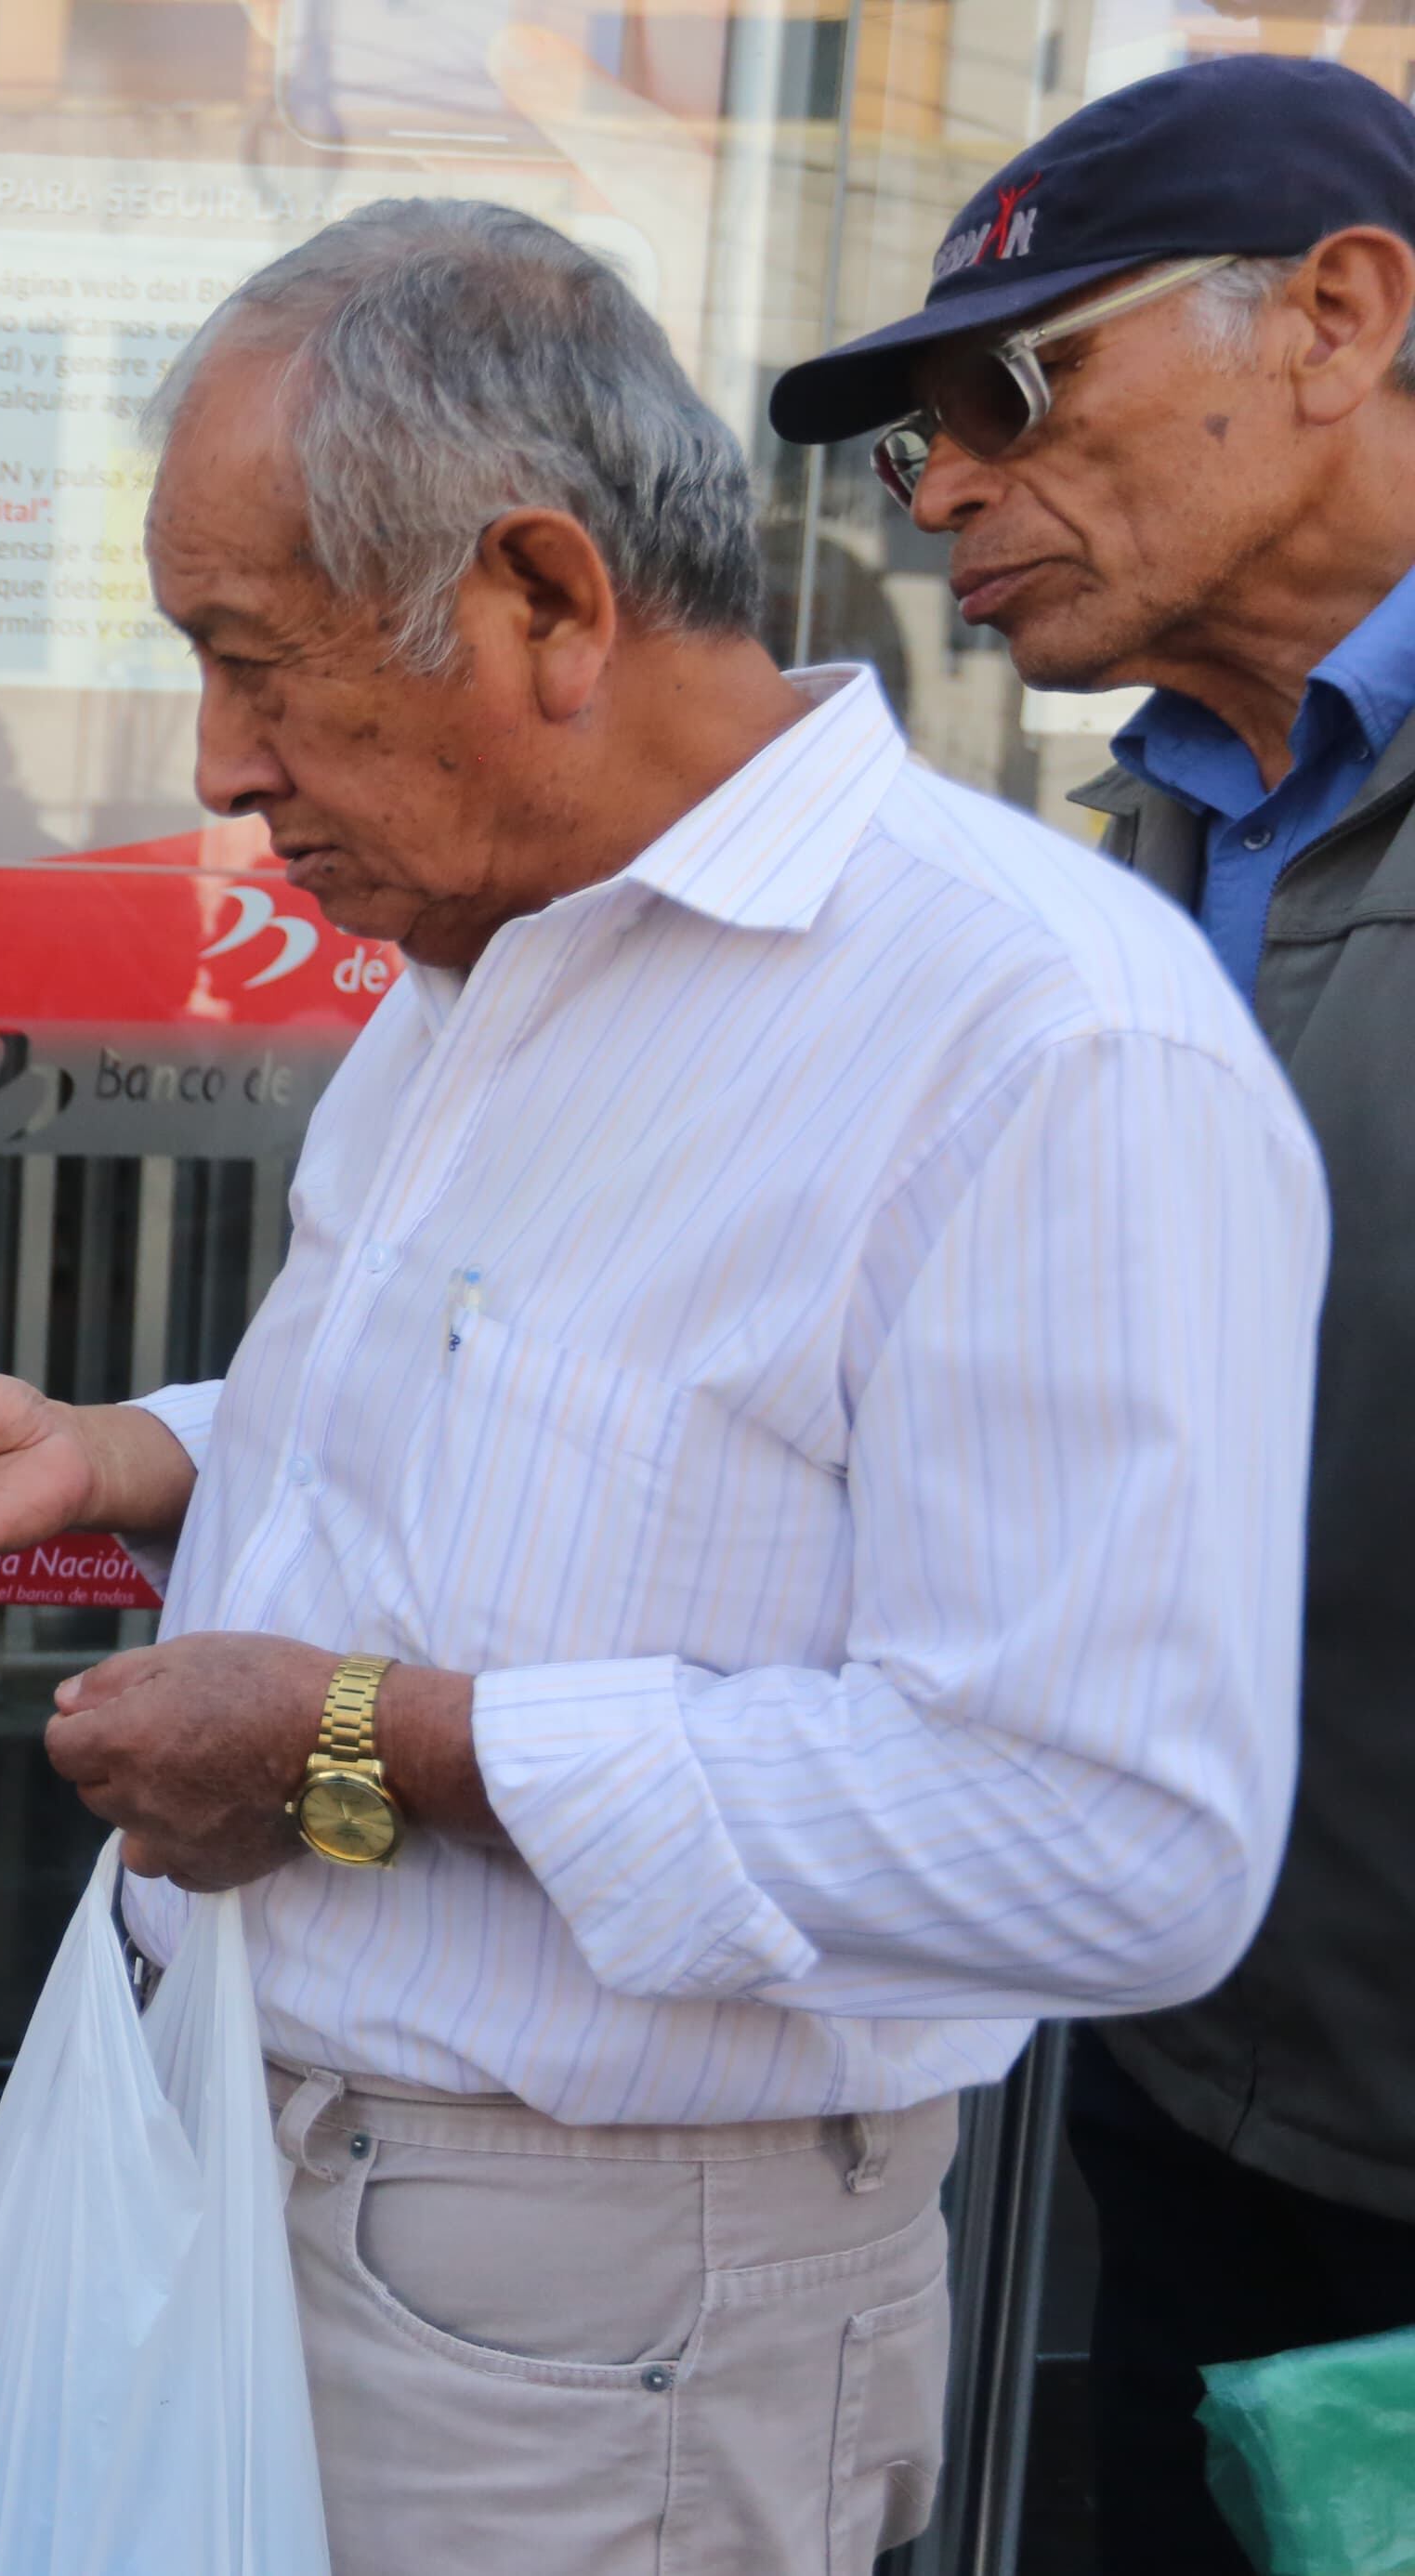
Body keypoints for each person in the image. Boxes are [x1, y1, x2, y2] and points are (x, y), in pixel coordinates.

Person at [0, 202, 1322, 2575]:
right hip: (256, 2160)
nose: (219, 765)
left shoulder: (1043, 1036)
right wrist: (133, 1452)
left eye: (253, 663)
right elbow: (560, 1438)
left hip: (597, 2317)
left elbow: (1111, 1834)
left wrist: (363, 1743)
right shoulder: (490, 954)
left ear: (541, 600)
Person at [766, 56, 1415, 2572]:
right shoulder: (1139, 842)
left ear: (1345, 318)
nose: (938, 486)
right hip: (1193, 2071)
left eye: (1014, 392)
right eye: (917, 425)